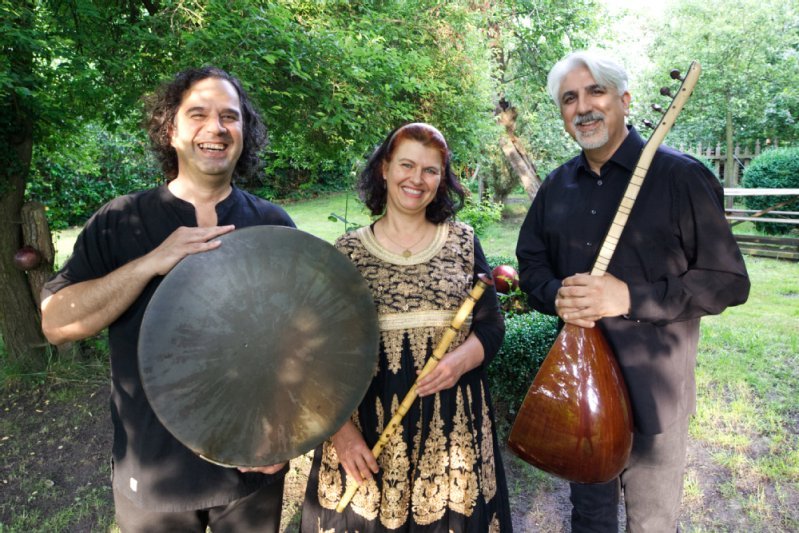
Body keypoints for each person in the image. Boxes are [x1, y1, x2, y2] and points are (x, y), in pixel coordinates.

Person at [40, 66, 296, 532]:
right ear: (170, 130)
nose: (215, 128)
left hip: (250, 468)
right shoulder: (120, 221)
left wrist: (284, 438)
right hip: (154, 474)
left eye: (230, 117)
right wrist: (150, 262)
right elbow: (56, 324)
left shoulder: (273, 225)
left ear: (245, 132)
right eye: (197, 114)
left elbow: (302, 345)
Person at [515, 50, 751, 532]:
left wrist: (629, 298)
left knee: (651, 523)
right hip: (581, 393)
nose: (583, 107)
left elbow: (728, 281)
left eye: (595, 91)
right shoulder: (556, 188)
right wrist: (557, 293)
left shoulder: (680, 178)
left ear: (623, 99)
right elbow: (531, 264)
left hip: (654, 395)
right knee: (591, 518)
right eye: (569, 98)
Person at [301, 123, 512, 532]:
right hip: (367, 433)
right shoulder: (348, 252)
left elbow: (491, 327)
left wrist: (460, 361)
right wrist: (341, 434)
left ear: (442, 178)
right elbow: (315, 354)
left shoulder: (464, 242)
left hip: (453, 437)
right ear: (384, 169)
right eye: (406, 165)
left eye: (431, 170)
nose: (417, 179)